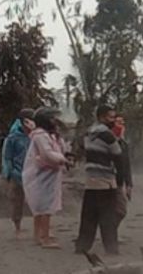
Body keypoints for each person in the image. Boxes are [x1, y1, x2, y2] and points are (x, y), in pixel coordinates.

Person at [75, 104, 122, 256]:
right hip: (106, 182)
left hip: (90, 181)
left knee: (88, 217)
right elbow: (117, 153)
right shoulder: (108, 135)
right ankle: (111, 249)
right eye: (111, 117)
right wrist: (118, 134)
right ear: (102, 117)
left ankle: (82, 247)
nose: (113, 120)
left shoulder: (88, 133)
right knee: (108, 218)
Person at [22, 107, 69, 249]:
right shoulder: (41, 136)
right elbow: (48, 154)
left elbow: (62, 149)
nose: (54, 121)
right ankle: (45, 237)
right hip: (41, 176)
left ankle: (38, 235)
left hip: (45, 175)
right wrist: (63, 160)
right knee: (45, 208)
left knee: (40, 207)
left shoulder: (48, 135)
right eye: (52, 118)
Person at [1, 108, 36, 238]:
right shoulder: (13, 138)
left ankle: (39, 228)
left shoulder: (35, 136)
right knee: (17, 201)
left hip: (33, 174)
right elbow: (7, 157)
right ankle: (18, 227)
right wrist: (10, 173)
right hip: (17, 174)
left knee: (38, 202)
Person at [112, 114, 133, 232]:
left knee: (121, 210)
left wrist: (129, 184)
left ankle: (111, 230)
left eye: (122, 123)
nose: (121, 126)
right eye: (118, 123)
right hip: (108, 181)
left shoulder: (124, 144)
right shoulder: (107, 142)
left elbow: (127, 165)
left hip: (119, 182)